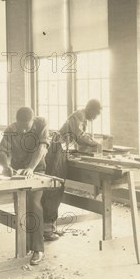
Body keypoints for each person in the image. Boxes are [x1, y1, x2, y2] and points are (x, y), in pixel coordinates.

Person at [42, 99, 103, 241]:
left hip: (61, 150)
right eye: (95, 113)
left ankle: (50, 227)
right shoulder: (79, 115)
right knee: (54, 187)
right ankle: (47, 229)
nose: (95, 117)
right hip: (56, 150)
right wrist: (96, 143)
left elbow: (77, 138)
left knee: (58, 188)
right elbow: (79, 136)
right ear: (90, 109)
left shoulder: (83, 118)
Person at [0, 107, 50, 265]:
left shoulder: (41, 124)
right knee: (20, 205)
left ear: (33, 121)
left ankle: (38, 249)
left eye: (27, 127)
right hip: (17, 172)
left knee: (34, 204)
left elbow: (42, 147)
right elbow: (2, 151)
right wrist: (6, 166)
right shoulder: (11, 129)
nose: (24, 130)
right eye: (21, 127)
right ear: (16, 122)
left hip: (36, 170)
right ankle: (24, 245)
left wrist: (31, 168)